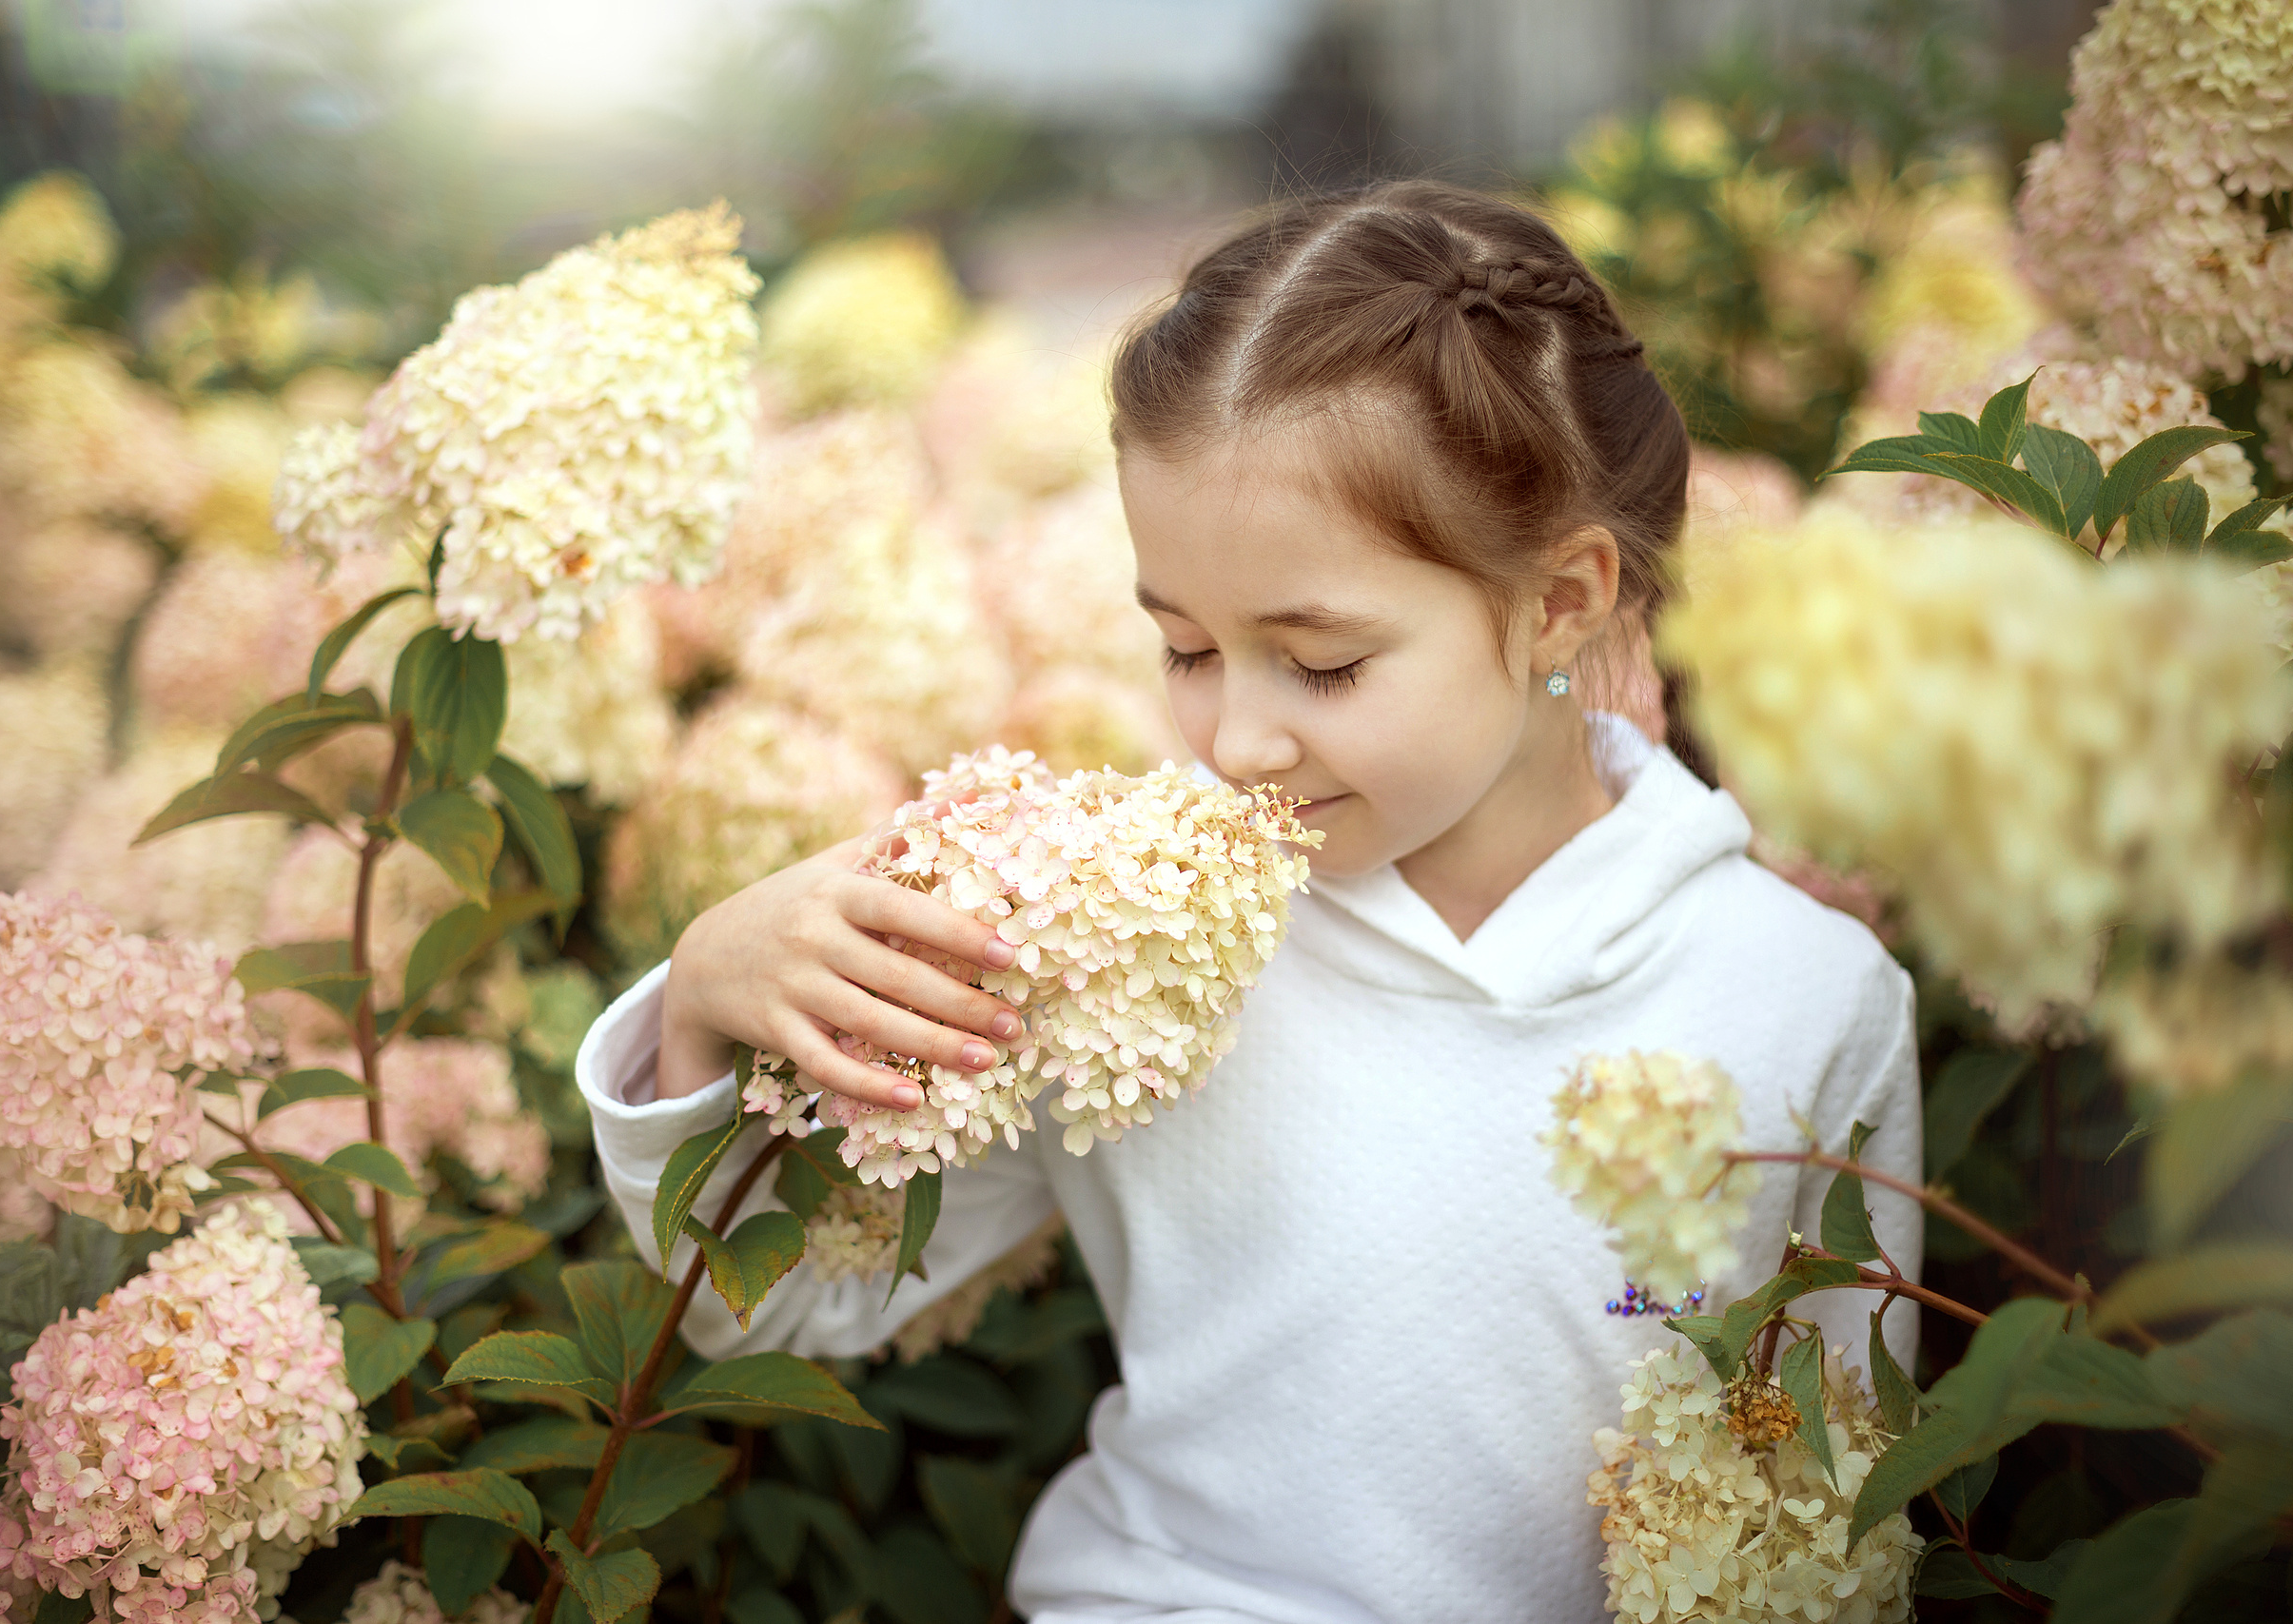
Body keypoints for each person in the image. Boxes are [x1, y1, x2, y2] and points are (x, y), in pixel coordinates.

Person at [576, 179, 1922, 1624]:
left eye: (1322, 661)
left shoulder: (1803, 1001)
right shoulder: (1111, 931)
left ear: (1562, 600)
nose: (1236, 743)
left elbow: (1827, 1475)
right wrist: (705, 1004)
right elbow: (774, 1299)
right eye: (1186, 648)